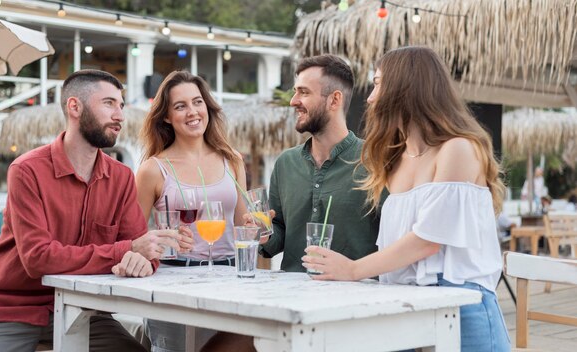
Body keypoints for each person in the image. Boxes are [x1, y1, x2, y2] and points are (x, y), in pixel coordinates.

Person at [0, 69, 193, 352]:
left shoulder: (120, 177)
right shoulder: (27, 171)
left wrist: (145, 260)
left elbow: (139, 248)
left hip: (81, 310)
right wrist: (126, 250)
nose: (119, 115)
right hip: (9, 307)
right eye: (108, 103)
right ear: (75, 107)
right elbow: (38, 258)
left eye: (120, 105)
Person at [303, 46, 511, 351]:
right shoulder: (397, 159)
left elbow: (429, 240)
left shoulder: (458, 149)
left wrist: (353, 270)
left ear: (405, 88)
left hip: (460, 305)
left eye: (377, 84)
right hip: (403, 306)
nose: (370, 97)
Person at [136, 70, 249, 352]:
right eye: (180, 106)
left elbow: (243, 228)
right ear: (165, 116)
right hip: (174, 281)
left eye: (197, 102)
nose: (192, 112)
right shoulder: (153, 168)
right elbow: (133, 236)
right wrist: (162, 239)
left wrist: (258, 225)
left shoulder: (232, 160)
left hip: (228, 278)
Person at [259, 54, 381, 272]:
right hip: (293, 296)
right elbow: (277, 236)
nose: (293, 101)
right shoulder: (285, 163)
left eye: (304, 92)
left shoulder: (375, 160)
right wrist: (262, 231)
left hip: (356, 298)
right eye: (295, 91)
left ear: (334, 100)